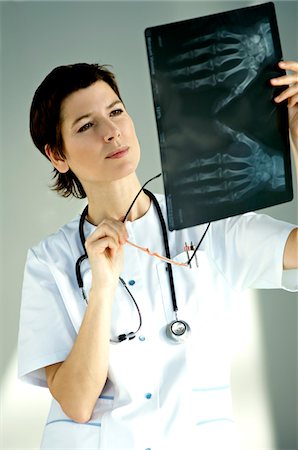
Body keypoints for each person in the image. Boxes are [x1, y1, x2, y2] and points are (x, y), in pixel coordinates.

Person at [18, 60, 298, 450]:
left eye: (116, 112)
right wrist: (102, 284)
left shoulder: (207, 223)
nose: (112, 132)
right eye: (86, 125)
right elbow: (77, 403)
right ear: (57, 155)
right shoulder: (50, 260)